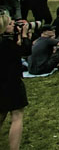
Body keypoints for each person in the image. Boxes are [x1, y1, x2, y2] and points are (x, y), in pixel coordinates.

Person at [0, 14, 27, 150]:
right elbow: (25, 51)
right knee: (17, 116)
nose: (13, 26)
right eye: (10, 24)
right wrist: (24, 35)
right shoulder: (7, 45)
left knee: (1, 113)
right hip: (12, 83)